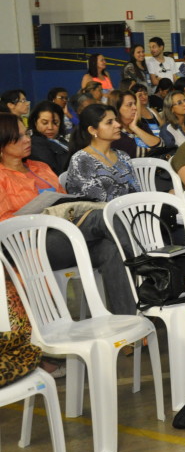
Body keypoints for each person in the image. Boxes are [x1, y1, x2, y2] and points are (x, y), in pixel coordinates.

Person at [0, 113, 137, 316]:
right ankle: (146, 268)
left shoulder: (42, 168)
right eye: (19, 137)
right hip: (30, 244)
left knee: (110, 248)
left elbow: (64, 203)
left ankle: (127, 320)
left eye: (27, 133)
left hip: (65, 234)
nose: (28, 139)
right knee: (101, 218)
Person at [65, 103, 141, 204]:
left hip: (129, 211)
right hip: (103, 216)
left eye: (116, 120)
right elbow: (99, 202)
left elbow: (136, 191)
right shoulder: (82, 160)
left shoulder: (122, 156)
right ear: (92, 130)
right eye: (109, 122)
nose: (118, 125)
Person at [107, 89, 162, 158]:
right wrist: (157, 150)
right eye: (129, 105)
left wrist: (135, 128)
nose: (135, 108)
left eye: (135, 104)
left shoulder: (141, 126)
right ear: (117, 109)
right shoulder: (115, 133)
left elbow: (160, 145)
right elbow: (137, 153)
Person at [28, 101, 71, 175]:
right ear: (35, 122)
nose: (50, 127)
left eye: (55, 122)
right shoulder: (36, 145)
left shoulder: (60, 139)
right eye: (45, 123)